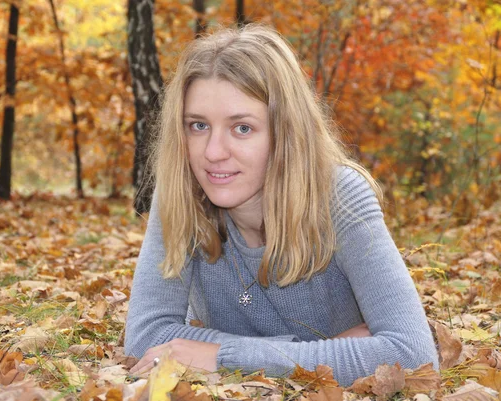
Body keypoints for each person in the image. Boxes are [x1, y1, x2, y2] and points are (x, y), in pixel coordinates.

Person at [124, 23, 438, 386]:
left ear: (286, 132)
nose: (212, 153)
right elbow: (146, 339)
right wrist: (323, 353)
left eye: (242, 128)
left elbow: (413, 355)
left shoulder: (340, 196)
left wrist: (219, 356)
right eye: (198, 126)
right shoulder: (180, 192)